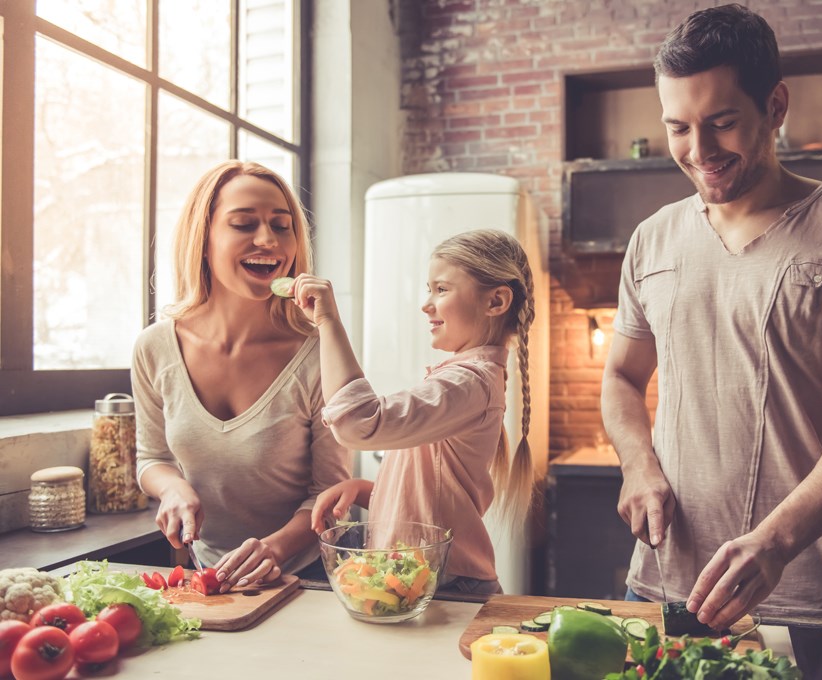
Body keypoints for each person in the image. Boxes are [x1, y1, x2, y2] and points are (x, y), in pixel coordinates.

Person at [601, 3, 822, 628]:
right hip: (664, 582)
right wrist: (637, 464)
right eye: (678, 128)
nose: (700, 151)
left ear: (775, 107)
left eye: (722, 123)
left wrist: (775, 542)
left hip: (801, 596)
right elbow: (620, 376)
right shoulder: (652, 239)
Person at [133, 160, 352, 593]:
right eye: (244, 223)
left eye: (282, 225)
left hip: (310, 579)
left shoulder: (317, 354)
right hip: (210, 576)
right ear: (204, 239)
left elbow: (332, 493)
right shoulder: (154, 348)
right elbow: (151, 458)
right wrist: (173, 488)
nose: (269, 240)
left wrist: (274, 549)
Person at [292, 228, 535, 595]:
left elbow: (358, 423)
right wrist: (364, 491)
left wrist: (328, 322)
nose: (427, 304)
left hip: (447, 587)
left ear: (496, 302)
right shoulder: (467, 380)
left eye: (442, 289)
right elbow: (432, 496)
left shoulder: (469, 382)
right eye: (429, 289)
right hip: (429, 582)